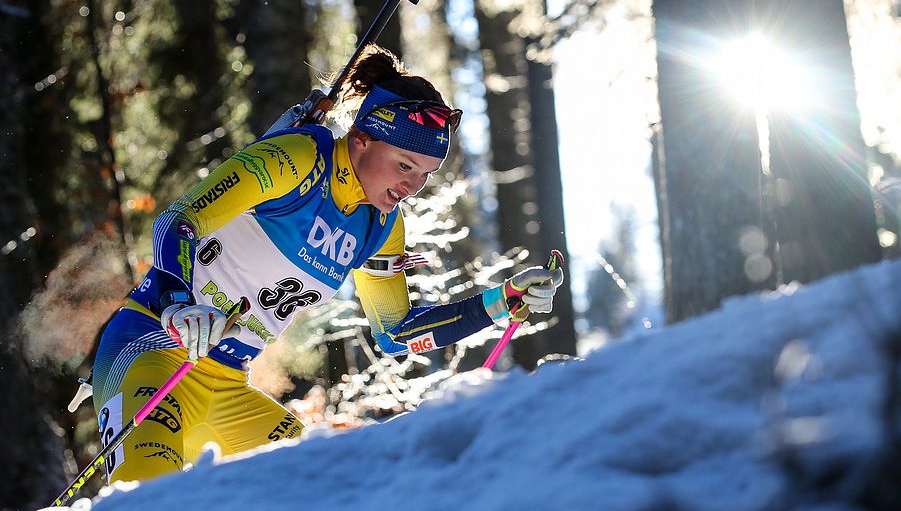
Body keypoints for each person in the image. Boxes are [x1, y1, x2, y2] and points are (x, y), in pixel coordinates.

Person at [86, 44, 564, 483]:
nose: (413, 187)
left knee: (326, 486)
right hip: (150, 352)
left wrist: (502, 302)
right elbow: (179, 219)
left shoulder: (381, 227)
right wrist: (176, 300)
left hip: (226, 384)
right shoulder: (298, 158)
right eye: (404, 165)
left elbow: (395, 333)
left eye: (424, 175)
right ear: (361, 140)